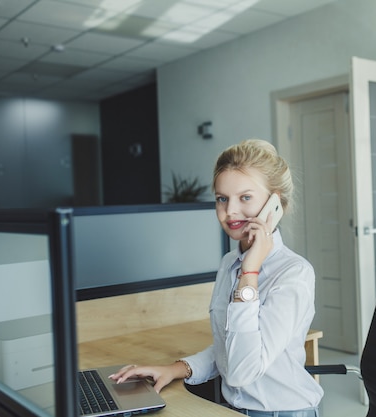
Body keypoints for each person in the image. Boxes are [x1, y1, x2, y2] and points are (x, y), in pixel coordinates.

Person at [109, 139, 323, 417]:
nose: (230, 211)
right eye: (222, 198)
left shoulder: (293, 273)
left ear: (275, 203)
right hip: (235, 409)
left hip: (284, 412)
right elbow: (228, 346)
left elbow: (241, 371)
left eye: (245, 197)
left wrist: (250, 273)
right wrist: (176, 369)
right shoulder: (228, 264)